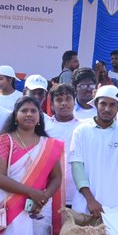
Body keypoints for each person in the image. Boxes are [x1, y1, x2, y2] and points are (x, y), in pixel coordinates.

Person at [0, 96, 64, 235]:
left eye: (33, 111)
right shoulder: (4, 140)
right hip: (9, 205)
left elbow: (57, 177)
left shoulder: (47, 144)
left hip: (39, 207)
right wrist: (31, 192)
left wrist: (42, 199)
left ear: (39, 117)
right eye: (24, 111)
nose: (29, 114)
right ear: (15, 116)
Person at [69, 85, 118, 216]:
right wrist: (90, 200)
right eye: (103, 104)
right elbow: (77, 168)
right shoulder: (81, 131)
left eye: (112, 105)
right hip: (84, 206)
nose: (107, 109)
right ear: (96, 104)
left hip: (114, 206)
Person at [44, 84, 82, 212]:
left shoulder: (84, 128)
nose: (64, 103)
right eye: (59, 100)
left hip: (79, 193)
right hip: (51, 193)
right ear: (52, 105)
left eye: (68, 99)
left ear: (74, 101)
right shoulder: (44, 129)